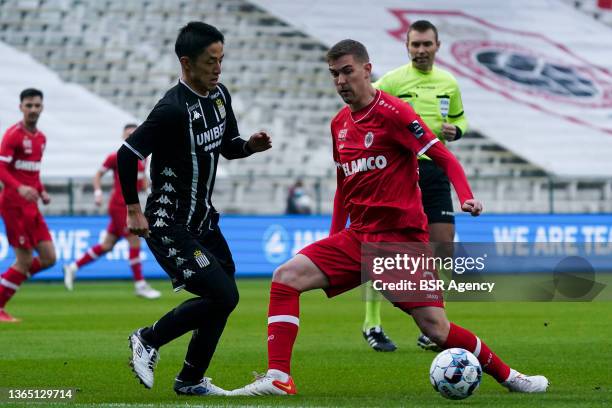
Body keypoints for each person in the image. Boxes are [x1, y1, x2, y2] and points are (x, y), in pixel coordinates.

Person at [230, 39, 548, 396]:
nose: (340, 81)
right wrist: (332, 238)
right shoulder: (339, 124)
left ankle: (511, 378)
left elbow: (444, 157)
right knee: (286, 277)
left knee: (436, 329)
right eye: (334, 74)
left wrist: (467, 196)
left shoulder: (395, 113)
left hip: (401, 241)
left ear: (367, 70)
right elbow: (342, 188)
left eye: (347, 71)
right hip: (359, 237)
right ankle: (278, 378)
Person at [119, 22, 271, 395]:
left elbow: (228, 144)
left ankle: (190, 380)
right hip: (168, 223)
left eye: (221, 59)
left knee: (222, 298)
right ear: (186, 63)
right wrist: (133, 209)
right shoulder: (171, 109)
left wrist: (249, 145)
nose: (218, 68)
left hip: (203, 220)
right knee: (223, 296)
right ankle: (148, 338)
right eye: (210, 61)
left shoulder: (219, 97)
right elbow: (126, 154)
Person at [362, 20, 469, 352]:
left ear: (438, 46)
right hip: (400, 172)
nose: (421, 50)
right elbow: (366, 108)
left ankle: (435, 326)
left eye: (426, 44)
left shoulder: (448, 83)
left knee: (442, 247)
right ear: (406, 47)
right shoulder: (392, 81)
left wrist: (456, 130)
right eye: (415, 45)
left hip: (436, 168)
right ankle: (372, 322)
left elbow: (461, 117)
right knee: (386, 250)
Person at [62, 124, 160, 299]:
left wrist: (148, 190)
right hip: (119, 205)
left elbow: (142, 180)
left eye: (134, 133)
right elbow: (98, 175)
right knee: (134, 239)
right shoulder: (116, 157)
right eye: (128, 133)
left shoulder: (143, 158)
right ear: (123, 136)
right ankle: (140, 285)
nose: (131, 135)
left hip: (131, 204)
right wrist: (98, 192)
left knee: (107, 245)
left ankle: (73, 267)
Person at [0, 88, 56, 323]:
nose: (33, 109)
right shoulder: (13, 135)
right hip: (13, 205)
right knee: (23, 261)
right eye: (29, 105)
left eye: (37, 105)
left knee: (49, 258)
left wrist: (40, 191)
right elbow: (1, 168)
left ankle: (10, 280)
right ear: (21, 107)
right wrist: (19, 188)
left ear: (42, 107)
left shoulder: (41, 138)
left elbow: (32, 172)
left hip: (32, 207)